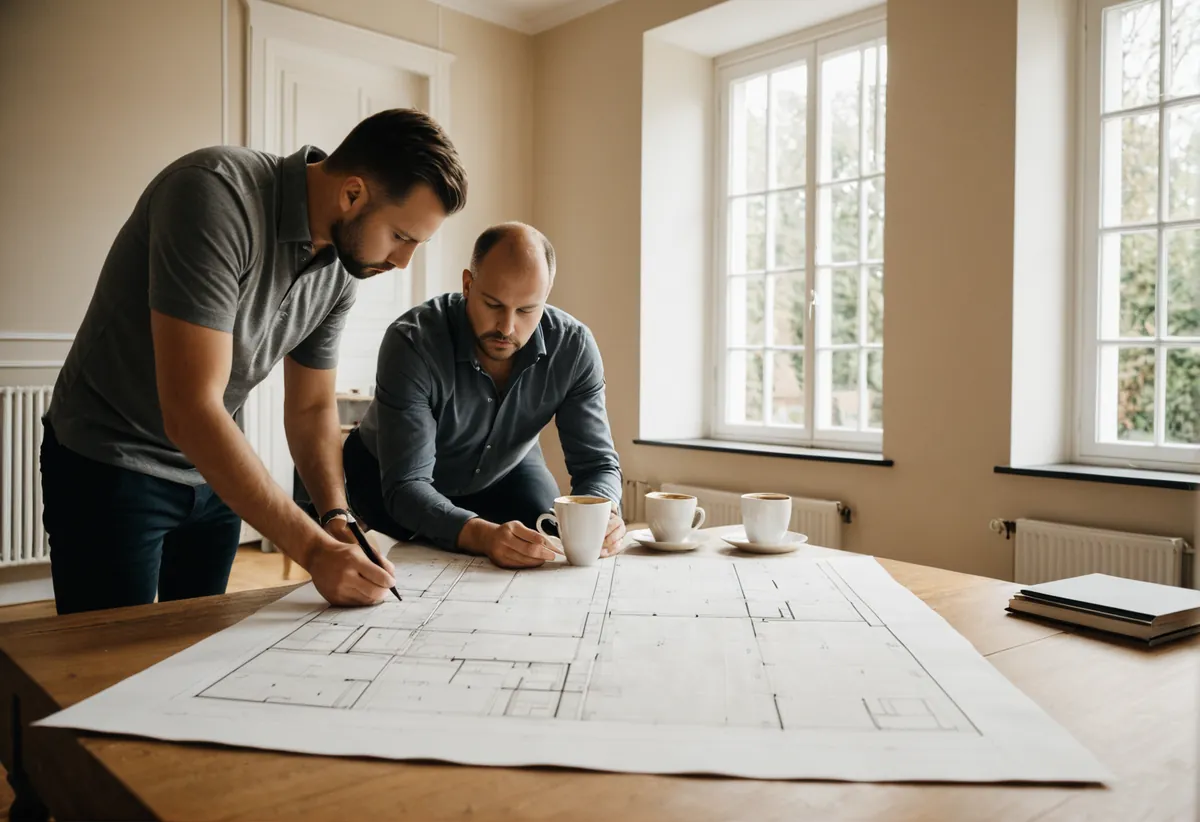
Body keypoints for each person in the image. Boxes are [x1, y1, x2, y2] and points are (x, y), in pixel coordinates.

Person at [41, 109, 467, 614]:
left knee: (192, 656)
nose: (402, 262)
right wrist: (312, 549)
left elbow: (311, 409)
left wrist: (335, 517)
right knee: (108, 665)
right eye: (402, 236)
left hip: (211, 474)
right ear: (352, 194)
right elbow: (191, 407)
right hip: (110, 460)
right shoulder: (212, 194)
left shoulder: (340, 270)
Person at [343, 222, 625, 568]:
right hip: (387, 473)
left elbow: (597, 464)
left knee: (542, 537)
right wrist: (483, 536)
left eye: (526, 310)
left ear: (547, 296)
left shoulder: (574, 347)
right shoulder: (412, 342)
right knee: (426, 548)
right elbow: (407, 487)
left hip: (505, 466)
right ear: (467, 284)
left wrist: (603, 513)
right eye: (493, 304)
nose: (506, 328)